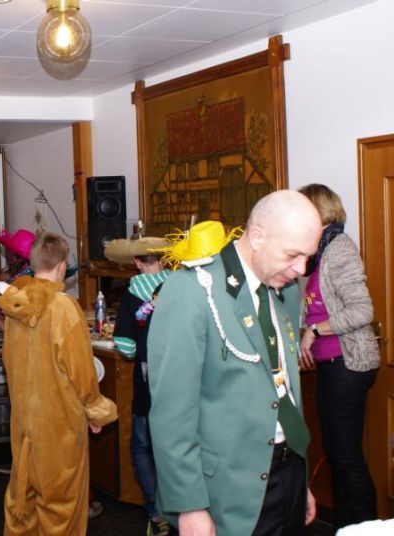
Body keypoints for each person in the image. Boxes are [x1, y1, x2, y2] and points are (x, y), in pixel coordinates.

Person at [147, 191, 323, 536]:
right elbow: (172, 413)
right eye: (292, 255)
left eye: (308, 257)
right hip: (226, 490)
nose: (301, 270)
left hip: (287, 471)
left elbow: (282, 386)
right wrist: (189, 505)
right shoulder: (193, 290)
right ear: (257, 237)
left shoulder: (284, 290)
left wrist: (299, 482)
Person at [0, 231, 118, 535]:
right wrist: (96, 410)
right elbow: (80, 370)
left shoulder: (13, 306)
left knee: (23, 502)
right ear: (62, 266)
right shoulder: (63, 308)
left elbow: (8, 360)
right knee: (61, 506)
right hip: (59, 424)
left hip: (24, 422)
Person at [298, 183, 380, 528]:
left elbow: (362, 310)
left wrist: (314, 331)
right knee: (337, 455)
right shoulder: (320, 251)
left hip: (348, 364)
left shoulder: (339, 248)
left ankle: (365, 529)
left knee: (346, 458)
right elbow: (319, 305)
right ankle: (349, 528)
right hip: (332, 365)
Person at [109, 235, 171, 536]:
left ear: (137, 262)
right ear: (164, 260)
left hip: (149, 380)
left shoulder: (133, 293)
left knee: (143, 446)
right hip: (182, 378)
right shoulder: (181, 285)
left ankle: (156, 513)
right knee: (174, 445)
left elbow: (125, 346)